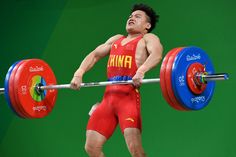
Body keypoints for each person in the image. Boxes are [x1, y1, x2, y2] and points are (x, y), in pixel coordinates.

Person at [70, 3, 163, 157]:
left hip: (128, 100)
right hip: (107, 100)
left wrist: (141, 70)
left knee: (136, 151)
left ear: (147, 25)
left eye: (137, 16)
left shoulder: (147, 38)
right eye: (130, 16)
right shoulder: (116, 40)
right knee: (91, 148)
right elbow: (94, 55)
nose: (132, 18)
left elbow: (157, 55)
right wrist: (79, 73)